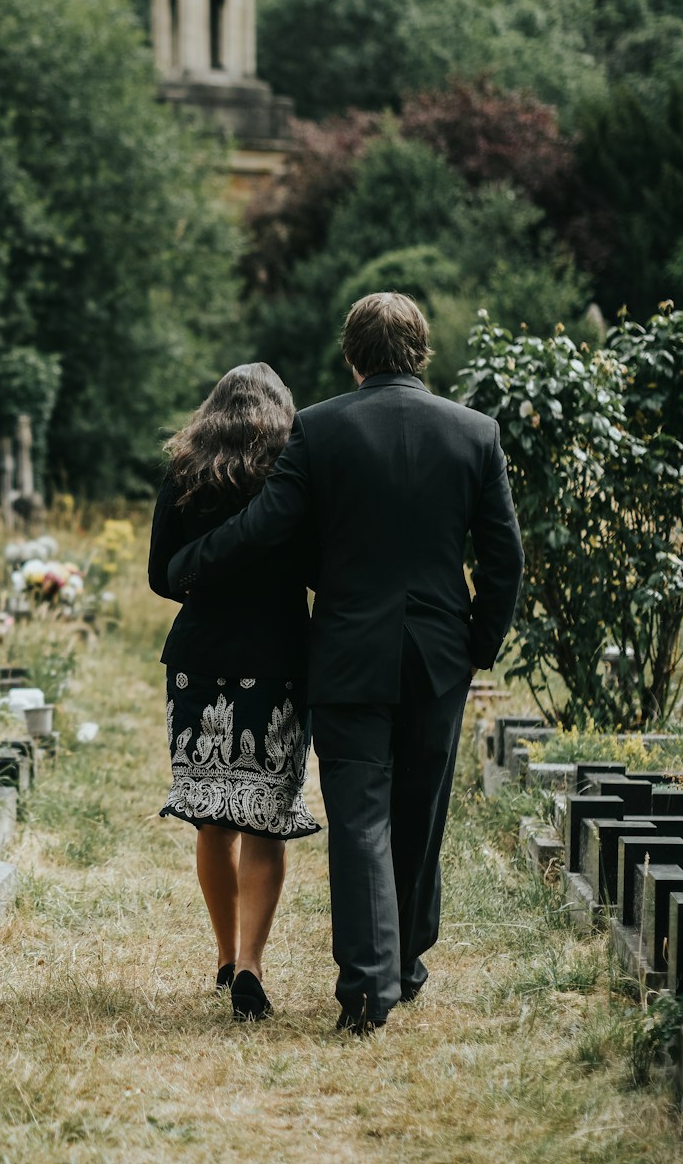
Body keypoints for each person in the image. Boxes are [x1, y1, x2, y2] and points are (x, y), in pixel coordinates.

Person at [167, 294, 522, 1035]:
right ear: (421, 351)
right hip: (439, 656)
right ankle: (406, 963)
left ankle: (366, 991)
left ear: (352, 356)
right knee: (421, 812)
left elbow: (267, 525)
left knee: (359, 817)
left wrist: (191, 562)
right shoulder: (476, 433)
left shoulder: (320, 429)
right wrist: (475, 646)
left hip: (349, 654)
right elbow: (504, 560)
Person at [148, 362, 319, 1023]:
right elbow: (314, 567)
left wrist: (207, 580)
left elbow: (163, 575)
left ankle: (223, 956)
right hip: (276, 658)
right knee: (265, 819)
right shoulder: (293, 471)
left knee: (212, 819)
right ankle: (252, 963)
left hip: (198, 660)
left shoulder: (187, 466)